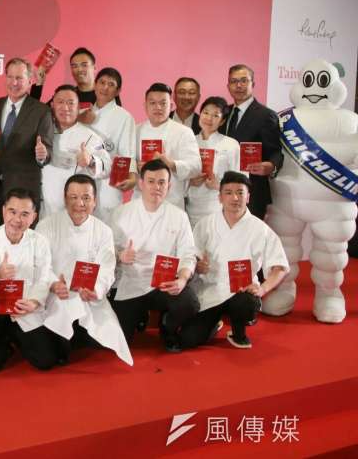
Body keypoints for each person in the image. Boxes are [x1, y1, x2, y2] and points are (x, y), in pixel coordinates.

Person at [180, 172, 289, 349]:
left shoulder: (260, 229)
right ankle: (214, 324)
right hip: (211, 290)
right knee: (188, 339)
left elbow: (280, 267)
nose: (235, 198)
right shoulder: (205, 224)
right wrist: (198, 266)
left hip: (242, 291)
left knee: (246, 303)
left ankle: (238, 332)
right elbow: (192, 256)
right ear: (220, 197)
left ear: (248, 197)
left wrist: (262, 289)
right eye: (229, 192)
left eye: (240, 192)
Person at [35, 175, 132, 366]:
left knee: (106, 338)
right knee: (55, 351)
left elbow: (107, 269)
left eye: (86, 198)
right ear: (65, 199)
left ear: (95, 201)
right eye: (73, 197)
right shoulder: (46, 226)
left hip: (90, 298)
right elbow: (39, 264)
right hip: (56, 295)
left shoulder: (103, 231)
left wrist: (96, 289)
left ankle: (78, 335)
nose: (80, 203)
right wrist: (53, 284)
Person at [110, 159, 199, 352]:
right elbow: (108, 250)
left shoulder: (179, 216)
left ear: (169, 186)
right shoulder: (122, 213)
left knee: (189, 303)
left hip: (164, 283)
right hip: (131, 283)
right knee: (119, 339)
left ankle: (168, 327)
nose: (156, 187)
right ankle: (139, 316)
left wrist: (182, 279)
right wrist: (120, 255)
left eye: (161, 182)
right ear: (141, 184)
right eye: (151, 181)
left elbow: (188, 254)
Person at [0, 188, 54, 371]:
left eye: (24, 214)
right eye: (12, 211)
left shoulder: (40, 242)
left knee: (45, 360)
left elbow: (44, 279)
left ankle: (16, 337)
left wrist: (33, 302)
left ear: (33, 217)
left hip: (27, 306)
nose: (17, 219)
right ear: (3, 211)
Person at [0, 58, 53, 228]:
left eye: (19, 78)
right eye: (10, 77)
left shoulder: (41, 111)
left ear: (30, 81)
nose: (14, 83)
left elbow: (47, 150)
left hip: (24, 193)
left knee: (23, 240)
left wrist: (42, 155)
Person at [221, 64, 283, 220]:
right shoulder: (223, 113)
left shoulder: (266, 115)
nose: (239, 85)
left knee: (248, 235)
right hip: (222, 189)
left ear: (253, 84)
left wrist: (271, 166)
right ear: (228, 86)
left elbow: (276, 152)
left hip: (252, 192)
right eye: (234, 81)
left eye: (244, 81)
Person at [41, 85, 110, 217]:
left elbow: (107, 167)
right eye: (60, 102)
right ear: (52, 106)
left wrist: (90, 161)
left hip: (77, 212)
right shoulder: (42, 133)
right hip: (45, 212)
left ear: (78, 107)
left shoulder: (91, 137)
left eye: (70, 103)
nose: (65, 108)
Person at [134, 82, 201, 211]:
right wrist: (136, 167)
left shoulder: (184, 132)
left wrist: (171, 164)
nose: (158, 107)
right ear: (145, 106)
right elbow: (127, 162)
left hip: (172, 202)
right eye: (152, 103)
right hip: (140, 201)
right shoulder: (135, 131)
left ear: (171, 106)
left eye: (163, 103)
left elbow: (196, 167)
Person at [87, 67, 137, 224]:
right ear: (95, 85)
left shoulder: (124, 117)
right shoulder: (83, 113)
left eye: (111, 84)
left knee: (108, 228)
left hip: (109, 184)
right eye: (102, 82)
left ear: (118, 91)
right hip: (83, 180)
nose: (105, 87)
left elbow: (128, 153)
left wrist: (132, 177)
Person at [186, 97, 242, 227]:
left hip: (218, 207)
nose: (209, 118)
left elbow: (241, 180)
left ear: (222, 121)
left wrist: (220, 186)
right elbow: (178, 175)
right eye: (205, 112)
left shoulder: (231, 144)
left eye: (215, 115)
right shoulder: (188, 142)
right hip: (191, 207)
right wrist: (189, 182)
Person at [31, 47, 98, 120]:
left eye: (84, 65)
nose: (79, 69)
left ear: (94, 68)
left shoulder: (105, 94)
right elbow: (36, 114)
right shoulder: (66, 94)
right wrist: (39, 82)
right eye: (74, 66)